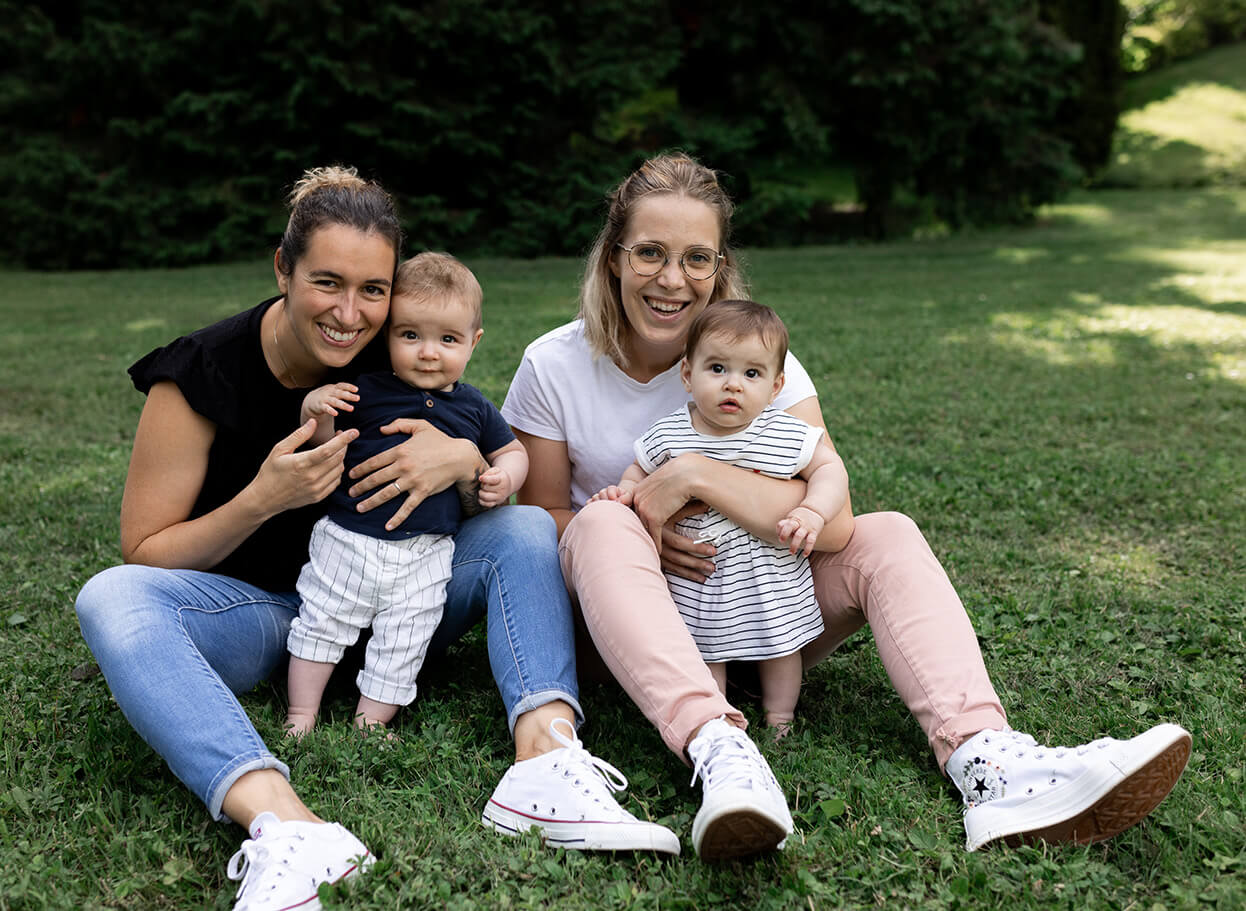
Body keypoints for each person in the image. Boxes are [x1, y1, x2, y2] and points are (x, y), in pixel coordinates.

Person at [500, 152, 1192, 861]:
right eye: (649, 252)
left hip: (766, 609)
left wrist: (698, 474)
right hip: (639, 629)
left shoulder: (759, 361)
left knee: (887, 534)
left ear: (720, 266)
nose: (672, 279)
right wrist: (646, 525)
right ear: (613, 256)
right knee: (603, 518)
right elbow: (547, 521)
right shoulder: (554, 364)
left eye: (695, 258)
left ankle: (988, 759)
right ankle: (720, 748)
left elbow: (832, 520)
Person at [74, 166, 677, 911]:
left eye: (373, 290)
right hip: (269, 613)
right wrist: (263, 498)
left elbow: (483, 451)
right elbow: (147, 548)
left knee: (522, 527)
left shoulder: (398, 350)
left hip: (408, 593)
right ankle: (287, 826)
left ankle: (547, 758)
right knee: (111, 596)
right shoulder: (201, 373)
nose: (350, 314)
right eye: (327, 282)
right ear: (282, 270)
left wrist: (465, 462)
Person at [285, 252, 529, 737]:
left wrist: (506, 475)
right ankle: (301, 713)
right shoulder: (366, 389)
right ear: (388, 334)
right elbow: (324, 442)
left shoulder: (475, 408)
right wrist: (317, 409)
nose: (428, 352)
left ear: (474, 342)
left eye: (448, 339)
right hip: (349, 539)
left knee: (406, 637)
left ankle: (371, 721)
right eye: (410, 335)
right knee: (320, 621)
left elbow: (514, 450)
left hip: (425, 553)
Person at [589, 299, 848, 738]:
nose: (734, 385)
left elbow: (829, 468)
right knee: (706, 651)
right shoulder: (670, 433)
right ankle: (718, 722)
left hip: (770, 578)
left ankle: (780, 718)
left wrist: (812, 509)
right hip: (700, 579)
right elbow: (639, 473)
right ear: (688, 376)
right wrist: (625, 492)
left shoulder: (782, 432)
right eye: (717, 369)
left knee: (781, 649)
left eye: (752, 374)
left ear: (775, 385)